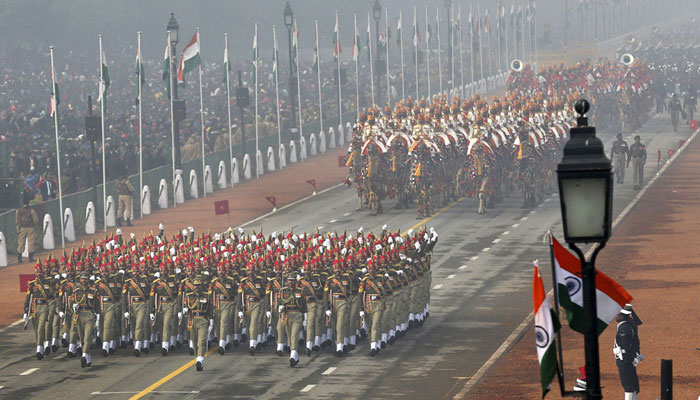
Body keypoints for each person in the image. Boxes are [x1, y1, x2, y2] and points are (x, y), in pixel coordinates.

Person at [70, 271, 99, 368]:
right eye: (82, 278)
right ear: (80, 279)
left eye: (86, 278)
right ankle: (88, 357)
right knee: (82, 338)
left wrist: (98, 317)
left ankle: (84, 356)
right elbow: (71, 304)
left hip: (89, 315)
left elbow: (97, 306)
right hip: (79, 315)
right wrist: (73, 306)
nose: (84, 280)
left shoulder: (93, 291)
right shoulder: (76, 292)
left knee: (88, 336)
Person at [184, 277, 213, 371]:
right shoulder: (188, 296)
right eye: (195, 285)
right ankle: (198, 357)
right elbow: (186, 307)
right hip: (192, 320)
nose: (197, 287)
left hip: (203, 320)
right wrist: (184, 311)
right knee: (195, 341)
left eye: (199, 285)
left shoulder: (207, 296)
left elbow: (210, 309)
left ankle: (200, 359)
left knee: (202, 341)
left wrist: (211, 320)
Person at [279, 274, 307, 367]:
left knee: (294, 335)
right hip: (287, 315)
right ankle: (295, 355)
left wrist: (305, 316)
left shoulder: (300, 291)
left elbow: (304, 304)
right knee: (290, 335)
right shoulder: (283, 291)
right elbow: (280, 301)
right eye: (289, 280)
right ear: (287, 281)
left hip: (297, 314)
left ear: (296, 282)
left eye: (293, 280)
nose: (291, 282)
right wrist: (280, 306)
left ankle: (292, 356)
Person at [613, 309, 640, 400]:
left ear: (622, 316)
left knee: (627, 384)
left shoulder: (623, 328)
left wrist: (632, 358)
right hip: (627, 358)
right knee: (632, 383)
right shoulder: (627, 325)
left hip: (625, 359)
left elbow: (626, 346)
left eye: (617, 314)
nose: (615, 316)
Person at [16, 198, 38, 263]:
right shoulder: (31, 210)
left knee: (21, 243)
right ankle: (30, 258)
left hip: (22, 228)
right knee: (31, 242)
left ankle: (19, 259)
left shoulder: (18, 210)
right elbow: (35, 220)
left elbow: (17, 220)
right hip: (30, 228)